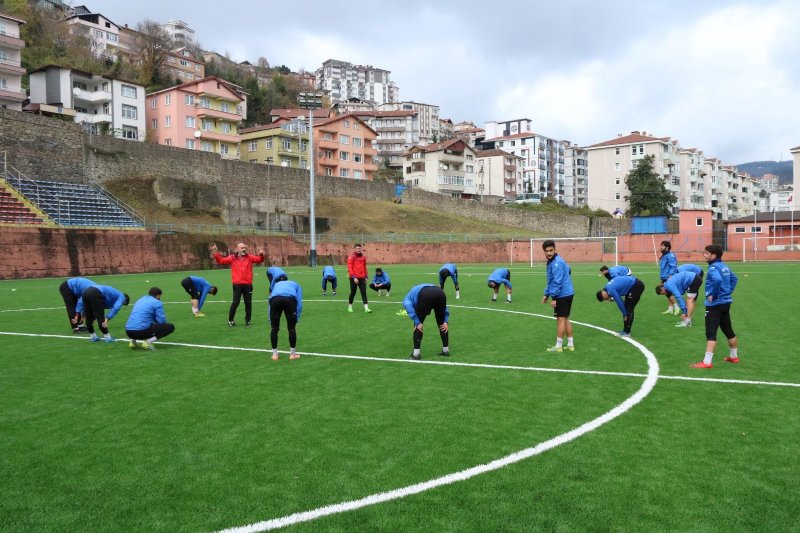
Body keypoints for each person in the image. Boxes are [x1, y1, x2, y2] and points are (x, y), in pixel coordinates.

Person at [691, 244, 739, 369]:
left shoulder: (713, 268)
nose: (704, 255)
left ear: (713, 256)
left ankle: (707, 362)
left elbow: (717, 280)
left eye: (706, 253)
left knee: (711, 333)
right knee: (728, 330)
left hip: (715, 305)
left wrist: (713, 294)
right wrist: (727, 292)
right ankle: (734, 357)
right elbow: (734, 279)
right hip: (726, 303)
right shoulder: (724, 266)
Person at [210, 242, 265, 326]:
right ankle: (230, 320)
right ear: (237, 249)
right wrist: (215, 252)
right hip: (237, 284)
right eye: (242, 247)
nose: (244, 249)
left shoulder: (249, 257)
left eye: (245, 247)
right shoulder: (232, 258)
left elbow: (260, 260)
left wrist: (261, 255)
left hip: (248, 285)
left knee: (248, 303)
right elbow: (221, 261)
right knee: (235, 302)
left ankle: (248, 320)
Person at [541, 240, 575, 352]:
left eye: (551, 250)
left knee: (560, 320)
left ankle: (558, 346)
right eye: (546, 251)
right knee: (565, 319)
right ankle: (570, 345)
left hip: (562, 295)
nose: (548, 253)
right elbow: (567, 270)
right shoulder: (556, 261)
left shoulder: (556, 262)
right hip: (568, 293)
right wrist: (546, 294)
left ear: (555, 250)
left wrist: (554, 298)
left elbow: (557, 281)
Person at [402, 284, 450, 360]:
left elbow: (408, 305)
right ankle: (446, 350)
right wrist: (445, 321)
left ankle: (416, 354)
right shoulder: (430, 288)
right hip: (441, 293)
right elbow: (445, 308)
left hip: (425, 295)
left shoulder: (407, 299)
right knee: (442, 324)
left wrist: (417, 322)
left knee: (417, 326)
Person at [268, 279, 303, 361]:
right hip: (289, 300)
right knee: (291, 328)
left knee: (274, 328)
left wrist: (271, 318)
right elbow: (299, 302)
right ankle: (292, 354)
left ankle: (275, 355)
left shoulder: (276, 285)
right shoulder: (296, 284)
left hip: (275, 300)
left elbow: (270, 299)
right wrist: (297, 316)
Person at [346, 243, 371, 313]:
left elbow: (364, 267)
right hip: (353, 278)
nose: (358, 250)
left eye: (359, 248)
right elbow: (350, 268)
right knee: (353, 293)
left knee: (363, 292)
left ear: (361, 249)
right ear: (355, 249)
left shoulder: (363, 257)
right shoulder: (351, 257)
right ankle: (350, 306)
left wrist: (366, 276)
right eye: (357, 248)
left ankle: (366, 308)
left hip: (362, 277)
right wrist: (354, 277)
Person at [658, 240, 680, 315]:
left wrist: (670, 276)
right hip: (664, 277)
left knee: (668, 293)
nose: (661, 247)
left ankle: (676, 307)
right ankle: (670, 309)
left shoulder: (670, 256)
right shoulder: (664, 256)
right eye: (661, 245)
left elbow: (673, 266)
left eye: (662, 245)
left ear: (667, 248)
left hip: (669, 277)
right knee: (667, 293)